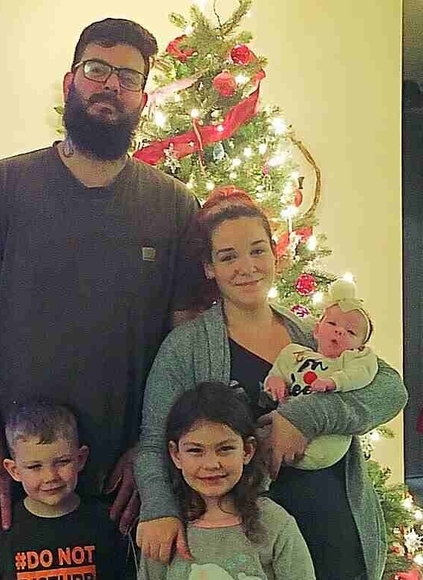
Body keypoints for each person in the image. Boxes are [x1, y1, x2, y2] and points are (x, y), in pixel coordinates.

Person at [0, 15, 202, 550]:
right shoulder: (2, 187)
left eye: (129, 77)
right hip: (22, 480)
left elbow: (185, 346)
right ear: (71, 81)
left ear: (143, 99)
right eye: (97, 69)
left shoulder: (173, 205)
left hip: (128, 489)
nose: (111, 85)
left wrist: (151, 453)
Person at [134, 188, 407, 580]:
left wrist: (304, 417)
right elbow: (153, 441)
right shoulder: (187, 348)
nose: (246, 267)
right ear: (209, 267)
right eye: (228, 256)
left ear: (275, 255)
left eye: (257, 250)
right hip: (249, 549)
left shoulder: (314, 336)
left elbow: (391, 390)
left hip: (333, 531)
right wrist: (159, 509)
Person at [138, 381, 316, 580]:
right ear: (176, 455)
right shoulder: (163, 531)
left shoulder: (274, 523)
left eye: (225, 449)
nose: (212, 464)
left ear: (247, 450)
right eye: (195, 450)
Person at [0, 398, 126, 580]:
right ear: (14, 470)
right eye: (35, 466)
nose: (51, 477)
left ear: (81, 459)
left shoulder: (107, 522)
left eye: (62, 462)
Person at [264, 278, 378, 470]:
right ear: (316, 330)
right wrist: (275, 382)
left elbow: (361, 373)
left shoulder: (349, 362)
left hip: (327, 441)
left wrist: (334, 382)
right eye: (332, 323)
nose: (339, 331)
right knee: (261, 436)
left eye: (351, 332)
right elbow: (278, 372)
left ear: (360, 347)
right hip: (282, 428)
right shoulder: (295, 353)